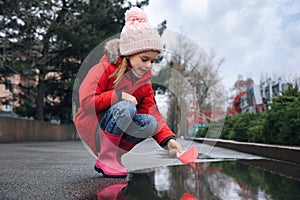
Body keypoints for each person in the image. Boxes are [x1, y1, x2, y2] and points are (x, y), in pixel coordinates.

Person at [74, 6, 182, 178]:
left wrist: (169, 140)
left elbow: (152, 112)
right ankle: (106, 157)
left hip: (114, 127)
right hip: (93, 126)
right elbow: (86, 102)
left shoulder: (143, 82)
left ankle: (114, 156)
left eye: (153, 61)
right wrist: (118, 96)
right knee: (126, 107)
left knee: (150, 123)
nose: (148, 66)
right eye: (144, 59)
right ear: (129, 53)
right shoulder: (104, 68)